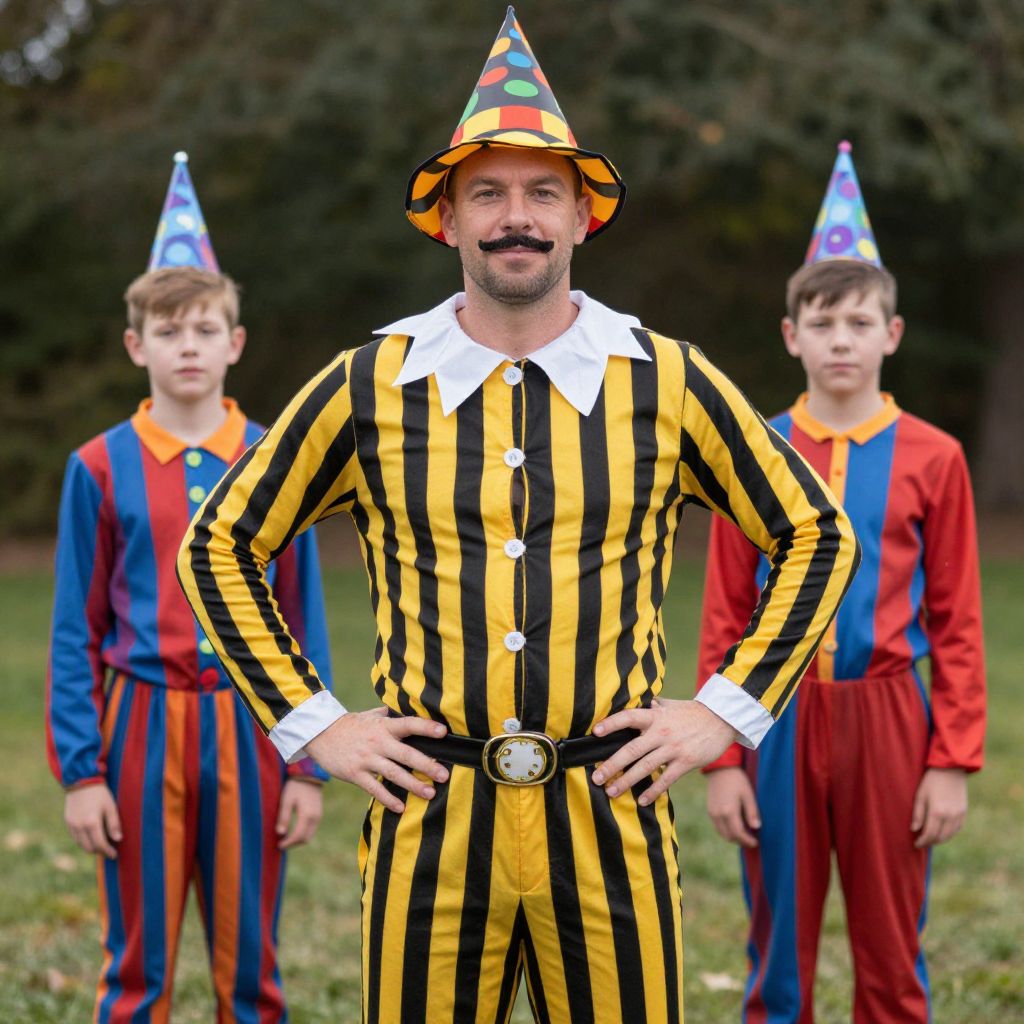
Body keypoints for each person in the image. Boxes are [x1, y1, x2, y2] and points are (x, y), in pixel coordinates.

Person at [178, 9, 859, 1022]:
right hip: (430, 815)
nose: (516, 217)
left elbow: (816, 533)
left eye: (543, 193)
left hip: (611, 811)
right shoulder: (370, 381)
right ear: (447, 220)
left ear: (582, 216)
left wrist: (725, 710)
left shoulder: (664, 377)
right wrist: (312, 724)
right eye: (486, 194)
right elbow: (220, 543)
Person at [697, 142, 986, 1023]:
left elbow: (959, 619)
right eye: (822, 324)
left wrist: (951, 760)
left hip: (889, 715)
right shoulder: (757, 451)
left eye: (860, 322)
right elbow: (726, 611)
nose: (841, 340)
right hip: (773, 715)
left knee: (891, 941)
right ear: (792, 336)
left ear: (891, 335)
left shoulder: (935, 457)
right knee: (777, 939)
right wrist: (722, 758)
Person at [46, 152, 333, 1023]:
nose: (189, 346)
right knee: (138, 958)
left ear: (234, 343)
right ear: (137, 346)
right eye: (168, 332)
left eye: (206, 329)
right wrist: (82, 772)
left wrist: (308, 762)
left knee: (250, 956)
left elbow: (301, 613)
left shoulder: (274, 458)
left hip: (252, 719)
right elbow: (72, 628)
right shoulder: (99, 466)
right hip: (139, 724)